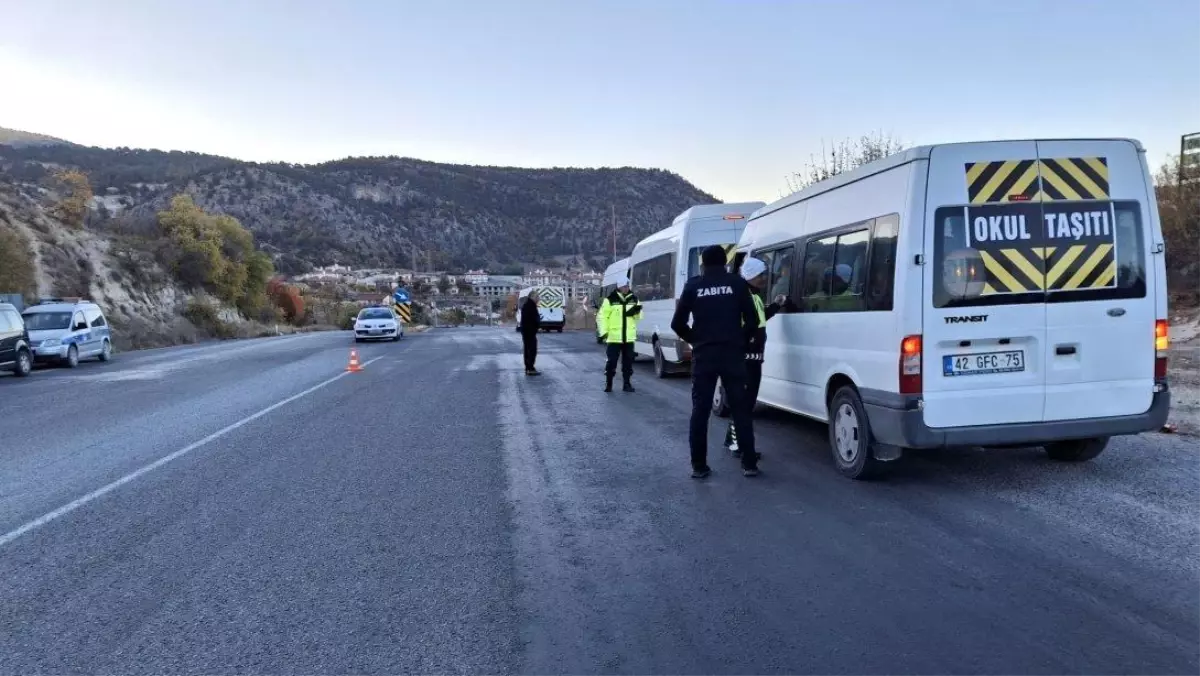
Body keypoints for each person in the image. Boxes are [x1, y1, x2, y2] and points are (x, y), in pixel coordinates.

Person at [670, 245, 761, 478]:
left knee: (700, 411)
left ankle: (698, 466)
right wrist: (741, 341)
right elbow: (752, 320)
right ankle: (749, 463)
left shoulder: (693, 286)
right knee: (740, 409)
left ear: (703, 263)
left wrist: (696, 341)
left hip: (704, 356)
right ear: (725, 262)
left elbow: (677, 324)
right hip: (733, 355)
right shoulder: (737, 284)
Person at [724, 257, 793, 456]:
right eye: (761, 275)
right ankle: (740, 446)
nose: (764, 278)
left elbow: (759, 318)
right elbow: (743, 327)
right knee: (744, 404)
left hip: (753, 357)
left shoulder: (754, 296)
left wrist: (777, 305)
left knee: (744, 402)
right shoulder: (744, 296)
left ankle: (732, 439)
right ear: (752, 276)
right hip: (746, 359)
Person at [597, 276, 642, 392]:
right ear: (619, 287)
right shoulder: (610, 300)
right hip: (614, 337)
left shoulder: (634, 299)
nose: (626, 288)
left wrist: (636, 311)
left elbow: (640, 316)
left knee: (628, 362)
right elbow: (602, 317)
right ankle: (609, 383)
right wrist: (604, 333)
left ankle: (627, 384)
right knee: (611, 362)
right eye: (624, 286)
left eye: (628, 286)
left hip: (629, 337)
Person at [519, 290, 542, 376]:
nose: (538, 299)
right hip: (529, 331)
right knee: (531, 350)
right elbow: (531, 319)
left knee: (528, 349)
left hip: (527, 330)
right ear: (533, 297)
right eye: (537, 297)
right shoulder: (530, 306)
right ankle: (530, 368)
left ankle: (529, 367)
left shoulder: (528, 305)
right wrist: (536, 324)